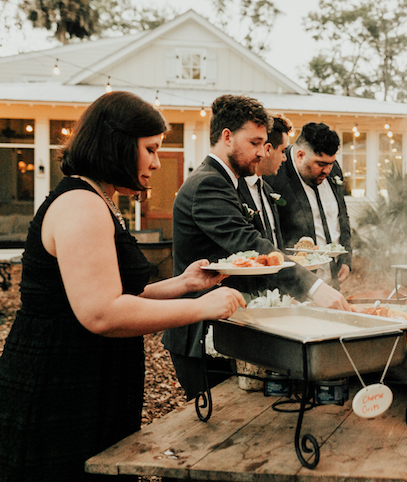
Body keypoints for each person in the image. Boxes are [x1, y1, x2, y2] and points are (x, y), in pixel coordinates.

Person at [0, 91, 245, 482]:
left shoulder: (99, 197)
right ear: (117, 143)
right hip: (59, 382)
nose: (156, 161)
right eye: (149, 149)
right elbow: (102, 313)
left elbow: (117, 293)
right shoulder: (82, 204)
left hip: (89, 374)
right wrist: (202, 307)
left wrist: (184, 283)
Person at [163, 96, 349, 400]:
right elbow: (250, 245)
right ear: (227, 137)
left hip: (228, 326)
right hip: (199, 335)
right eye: (255, 142)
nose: (263, 151)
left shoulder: (229, 181)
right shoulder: (208, 184)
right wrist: (314, 287)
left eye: (265, 143)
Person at [266, 122, 352, 290]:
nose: (327, 171)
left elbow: (342, 216)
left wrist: (346, 258)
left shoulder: (333, 170)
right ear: (300, 155)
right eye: (320, 164)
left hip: (332, 280)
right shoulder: (275, 176)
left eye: (331, 163)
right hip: (296, 284)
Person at [238, 113, 292, 249]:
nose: (284, 158)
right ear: (268, 149)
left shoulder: (267, 189)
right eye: (282, 151)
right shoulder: (234, 189)